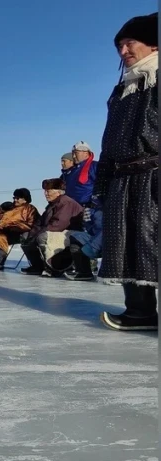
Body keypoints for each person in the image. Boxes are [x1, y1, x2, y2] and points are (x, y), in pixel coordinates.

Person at [94, 12, 159, 331]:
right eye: (119, 46)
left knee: (153, 241)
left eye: (130, 43)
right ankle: (140, 312)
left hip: (155, 174)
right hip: (122, 179)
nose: (123, 51)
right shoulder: (121, 90)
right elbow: (109, 140)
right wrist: (102, 183)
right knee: (126, 243)